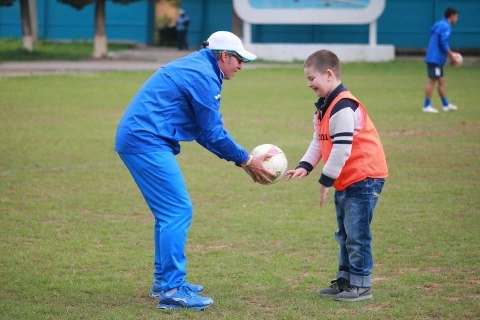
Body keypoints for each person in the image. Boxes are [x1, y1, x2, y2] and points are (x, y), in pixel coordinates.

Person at [114, 31, 274, 311]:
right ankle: (173, 289)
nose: (241, 66)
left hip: (142, 138)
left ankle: (164, 282)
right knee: (177, 210)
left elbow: (203, 131)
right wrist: (247, 160)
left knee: (169, 213)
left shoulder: (199, 67)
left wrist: (242, 161)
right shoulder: (203, 75)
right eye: (239, 60)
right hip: (145, 140)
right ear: (223, 56)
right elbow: (213, 132)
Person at [285, 49, 388, 302]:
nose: (309, 84)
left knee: (357, 234)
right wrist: (304, 166)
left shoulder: (343, 106)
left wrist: (324, 182)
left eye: (312, 79)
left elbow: (342, 149)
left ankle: (361, 284)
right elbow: (318, 143)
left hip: (364, 177)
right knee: (343, 233)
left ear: (329, 74)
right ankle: (345, 280)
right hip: (346, 178)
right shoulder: (323, 108)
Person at [423, 7, 460, 113]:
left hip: (435, 58)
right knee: (432, 81)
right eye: (456, 17)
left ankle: (445, 105)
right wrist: (452, 56)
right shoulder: (446, 27)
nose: (456, 19)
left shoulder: (439, 24)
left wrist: (449, 55)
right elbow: (443, 43)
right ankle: (426, 106)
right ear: (452, 15)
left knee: (441, 82)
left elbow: (434, 36)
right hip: (435, 59)